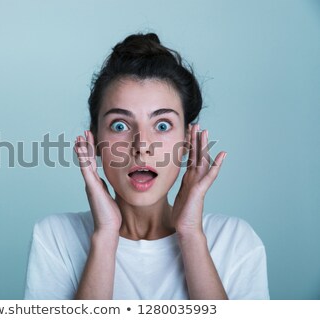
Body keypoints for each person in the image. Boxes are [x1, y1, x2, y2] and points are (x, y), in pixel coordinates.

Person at [24, 32, 269, 300]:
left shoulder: (235, 241)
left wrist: (190, 236)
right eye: (120, 125)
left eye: (162, 125)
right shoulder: (56, 238)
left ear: (187, 140)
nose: (142, 146)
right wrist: (106, 236)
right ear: (94, 140)